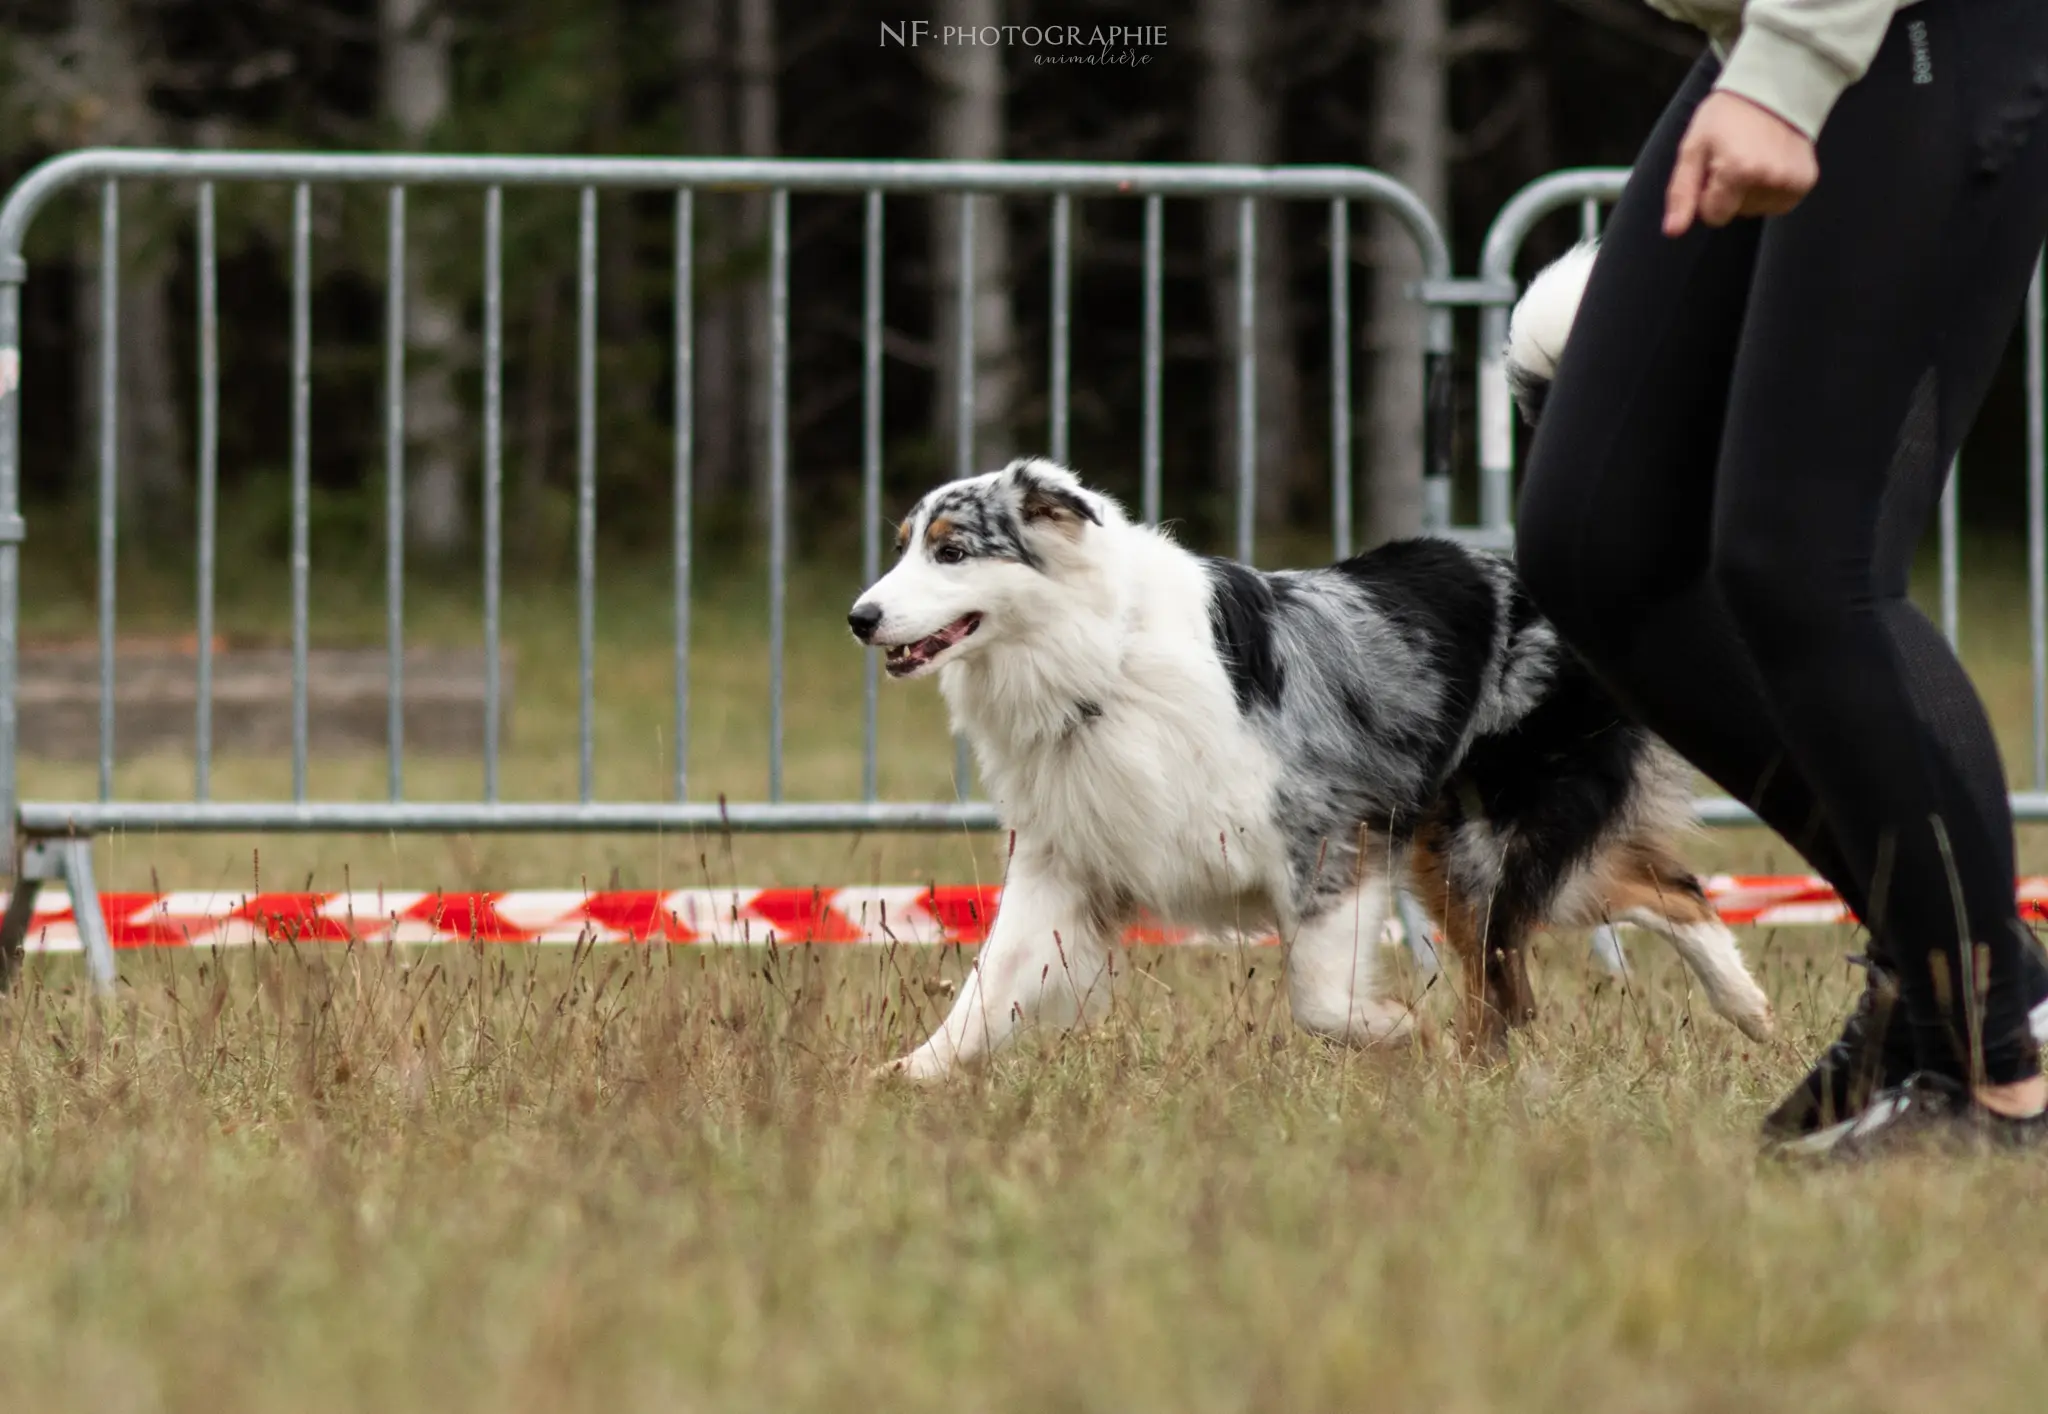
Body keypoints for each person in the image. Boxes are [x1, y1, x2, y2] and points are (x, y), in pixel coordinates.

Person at [1513, 0, 2048, 1157]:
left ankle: (1993, 1072)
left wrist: (1794, 60)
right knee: (1595, 541)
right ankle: (1955, 965)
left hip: (1900, 26)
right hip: (1764, 35)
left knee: (1809, 561)